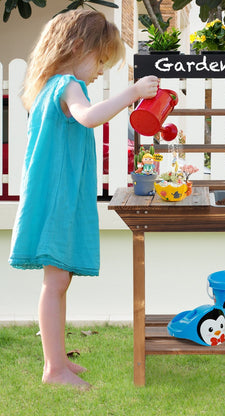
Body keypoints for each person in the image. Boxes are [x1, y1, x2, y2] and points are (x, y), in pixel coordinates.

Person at [8, 9, 159, 388]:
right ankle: (54, 369)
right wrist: (133, 94)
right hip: (59, 199)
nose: (100, 71)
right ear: (78, 47)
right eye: (100, 60)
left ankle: (57, 360)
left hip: (54, 195)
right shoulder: (68, 86)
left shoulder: (48, 86)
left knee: (59, 282)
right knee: (55, 284)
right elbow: (89, 117)